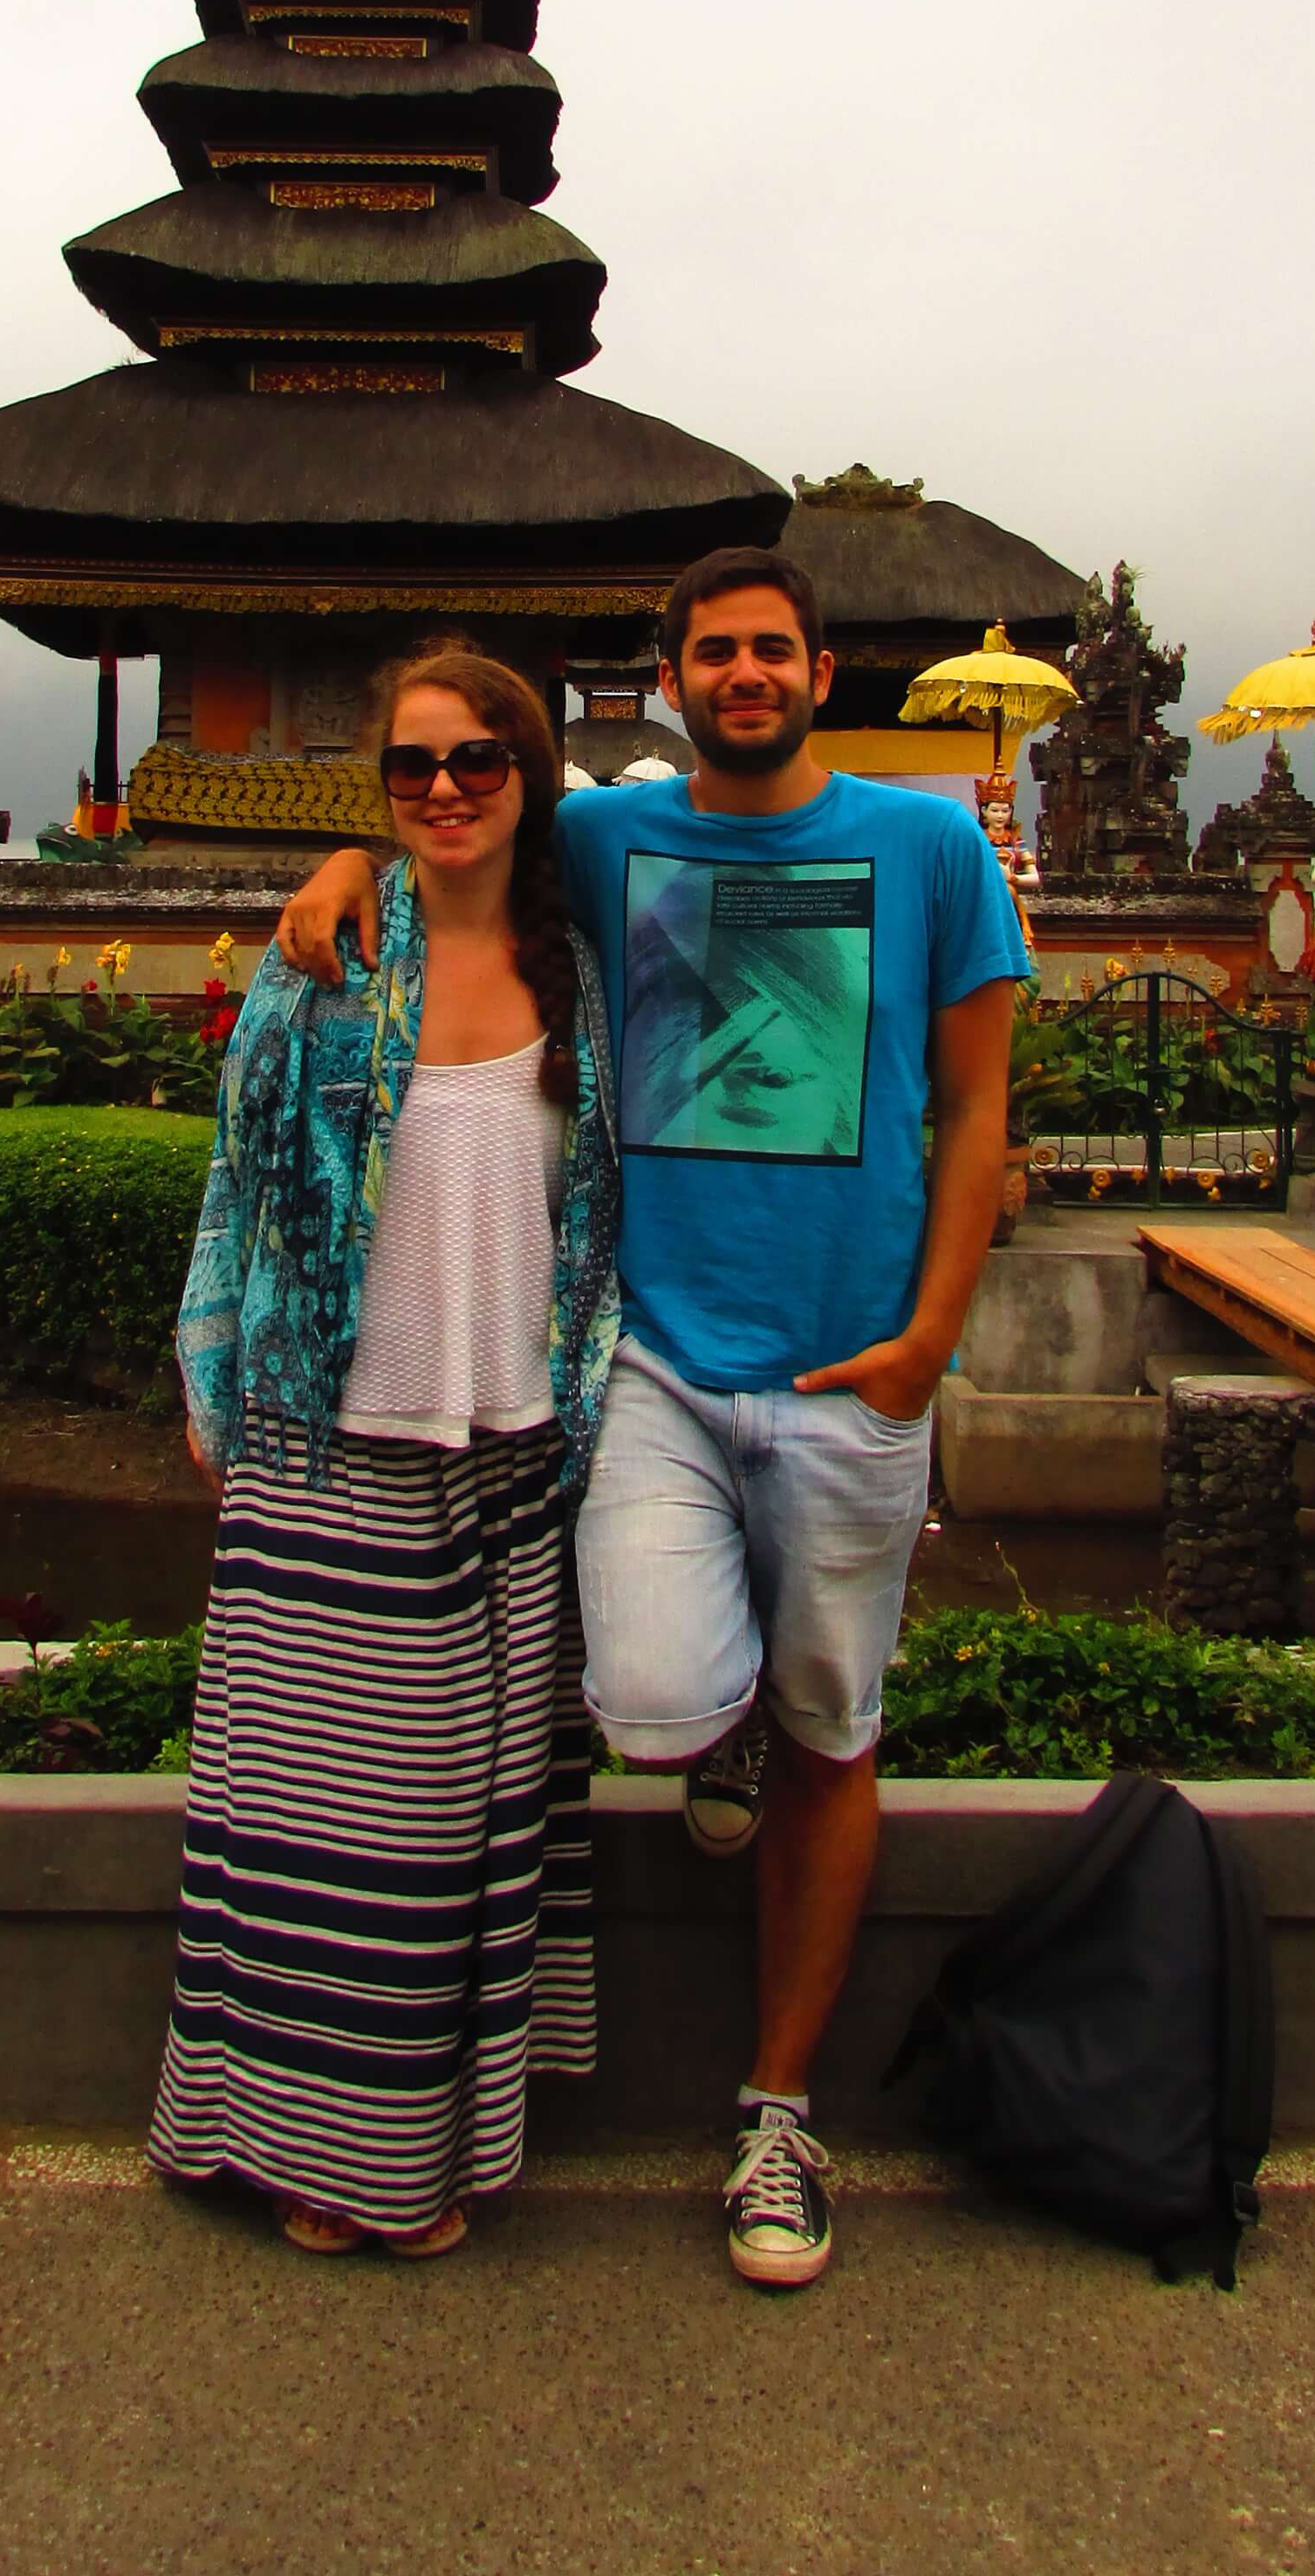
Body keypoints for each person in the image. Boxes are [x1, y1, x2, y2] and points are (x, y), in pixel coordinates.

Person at [277, 548, 1029, 2288]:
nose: (745, 673)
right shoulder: (610, 840)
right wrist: (337, 856)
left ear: (822, 668)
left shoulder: (928, 848)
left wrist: (929, 1342)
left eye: (773, 648)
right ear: (673, 678)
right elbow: (456, 838)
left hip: (853, 1376)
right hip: (664, 1370)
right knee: (649, 1696)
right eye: (715, 653)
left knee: (839, 1737)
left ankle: (776, 2114)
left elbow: (981, 1106)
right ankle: (718, 1733)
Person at [147, 644, 622, 2257]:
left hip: (511, 1443)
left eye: (478, 762)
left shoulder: (592, 973)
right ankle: (295, 2148)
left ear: (527, 776)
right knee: (309, 1832)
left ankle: (412, 2157)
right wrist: (214, 1379)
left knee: (460, 1832)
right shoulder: (329, 957)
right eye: (412, 768)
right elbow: (239, 1182)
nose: (442, 791)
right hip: (326, 1430)